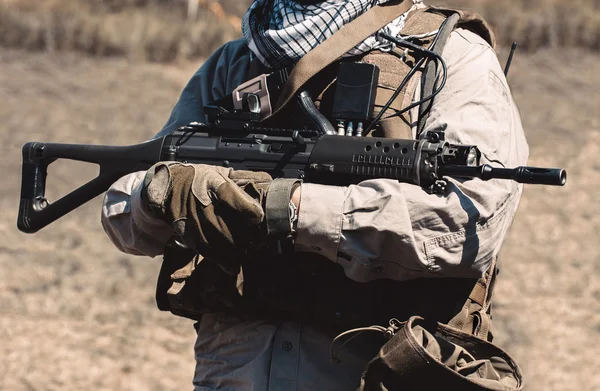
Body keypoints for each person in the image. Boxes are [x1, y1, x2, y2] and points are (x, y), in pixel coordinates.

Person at [101, 0, 529, 389]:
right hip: (235, 371)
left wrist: (286, 208)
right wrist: (162, 194)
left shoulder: (452, 56)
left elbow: (469, 223)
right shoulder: (235, 64)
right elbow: (123, 205)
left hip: (381, 371)